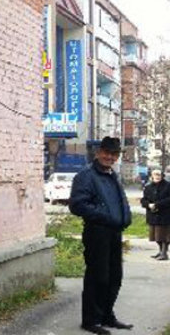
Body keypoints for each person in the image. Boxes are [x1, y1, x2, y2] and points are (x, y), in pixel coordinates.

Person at [69, 136, 133, 335]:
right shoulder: (86, 176)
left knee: (115, 276)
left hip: (114, 232)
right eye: (106, 153)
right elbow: (77, 205)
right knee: (98, 277)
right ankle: (90, 320)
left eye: (114, 154)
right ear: (98, 153)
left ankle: (106, 315)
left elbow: (119, 201)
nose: (110, 157)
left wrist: (125, 217)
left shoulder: (113, 175)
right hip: (97, 232)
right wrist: (105, 216)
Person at [140, 169, 170, 261]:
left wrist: (157, 204)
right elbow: (143, 199)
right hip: (152, 215)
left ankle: (164, 253)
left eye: (159, 174)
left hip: (164, 215)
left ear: (162, 175)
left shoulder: (168, 186)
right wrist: (148, 205)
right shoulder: (148, 187)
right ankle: (160, 252)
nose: (157, 176)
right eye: (155, 174)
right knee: (156, 237)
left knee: (164, 236)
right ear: (151, 176)